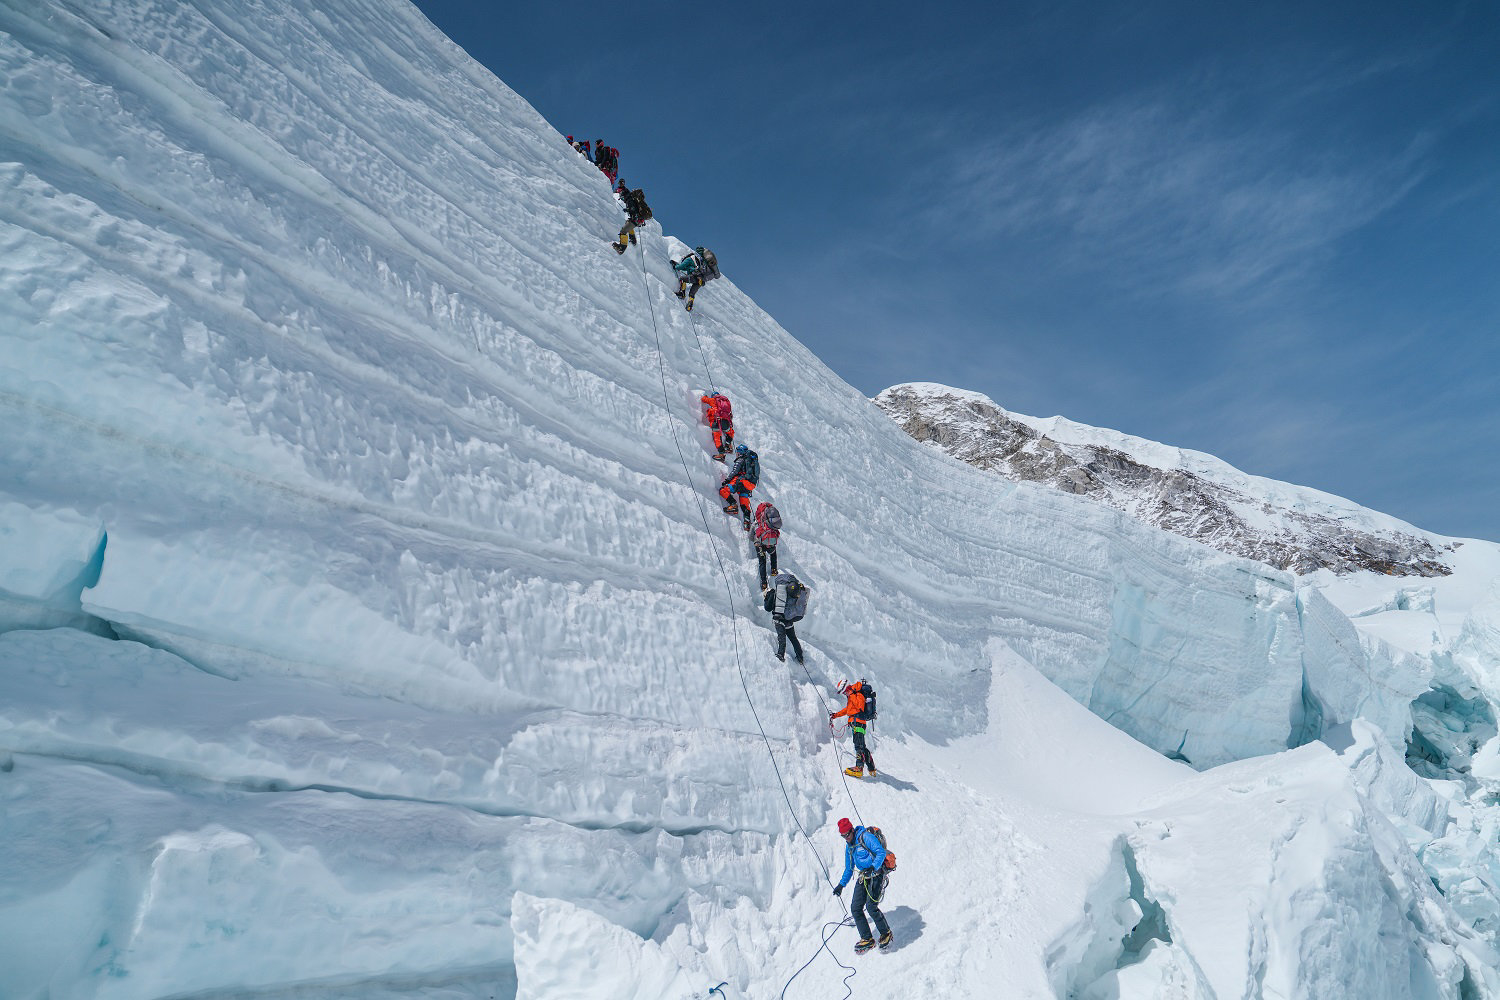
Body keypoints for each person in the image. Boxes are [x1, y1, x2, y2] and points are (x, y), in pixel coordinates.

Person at [832, 817, 893, 954]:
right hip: (864, 876)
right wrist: (841, 885)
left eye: (847, 834)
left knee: (871, 907)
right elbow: (849, 868)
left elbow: (880, 852)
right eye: (843, 836)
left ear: (852, 830)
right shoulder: (849, 847)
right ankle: (867, 938)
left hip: (876, 874)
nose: (846, 838)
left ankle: (886, 933)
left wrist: (873, 866)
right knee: (855, 908)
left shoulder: (865, 837)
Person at [830, 678, 876, 777]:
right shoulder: (852, 696)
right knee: (862, 746)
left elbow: (860, 706)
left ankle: (859, 768)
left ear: (847, 688)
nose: (845, 694)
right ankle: (871, 767)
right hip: (856, 722)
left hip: (859, 722)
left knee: (858, 746)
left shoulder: (857, 694)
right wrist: (835, 715)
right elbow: (848, 710)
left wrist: (851, 694)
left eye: (844, 692)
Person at [764, 569, 806, 664]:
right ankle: (800, 657)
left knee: (781, 637)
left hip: (778, 618)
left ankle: (780, 655)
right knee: (793, 638)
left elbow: (768, 608)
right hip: (789, 618)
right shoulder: (795, 593)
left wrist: (767, 597)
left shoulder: (775, 593)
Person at [719, 443, 759, 530]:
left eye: (737, 452)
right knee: (744, 502)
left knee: (723, 490)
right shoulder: (751, 461)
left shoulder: (741, 459)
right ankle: (747, 522)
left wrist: (727, 480)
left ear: (740, 452)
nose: (736, 454)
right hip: (750, 485)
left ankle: (733, 505)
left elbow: (735, 471)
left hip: (741, 481)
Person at [671, 247, 720, 312]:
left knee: (682, 279)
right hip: (701, 280)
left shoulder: (689, 259)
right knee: (692, 293)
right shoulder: (700, 261)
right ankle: (690, 305)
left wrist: (675, 266)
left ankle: (682, 293)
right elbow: (688, 268)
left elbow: (681, 266)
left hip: (695, 277)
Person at [612, 187, 652, 254]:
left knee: (623, 231)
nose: (622, 199)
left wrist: (628, 210)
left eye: (622, 198)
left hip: (636, 220)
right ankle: (633, 240)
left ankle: (621, 248)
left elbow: (633, 210)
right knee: (627, 222)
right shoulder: (632, 200)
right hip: (638, 220)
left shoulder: (629, 201)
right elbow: (635, 209)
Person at [752, 501, 781, 591]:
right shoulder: (772, 523)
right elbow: (777, 533)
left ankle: (764, 583)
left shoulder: (759, 523)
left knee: (762, 562)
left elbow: (752, 535)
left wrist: (754, 539)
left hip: (760, 545)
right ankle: (774, 569)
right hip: (770, 544)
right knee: (773, 553)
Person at [700, 391, 735, 461]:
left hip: (716, 421)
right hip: (726, 422)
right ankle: (728, 445)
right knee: (729, 431)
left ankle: (721, 454)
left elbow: (704, 399)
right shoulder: (725, 401)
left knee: (717, 438)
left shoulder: (713, 400)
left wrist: (705, 396)